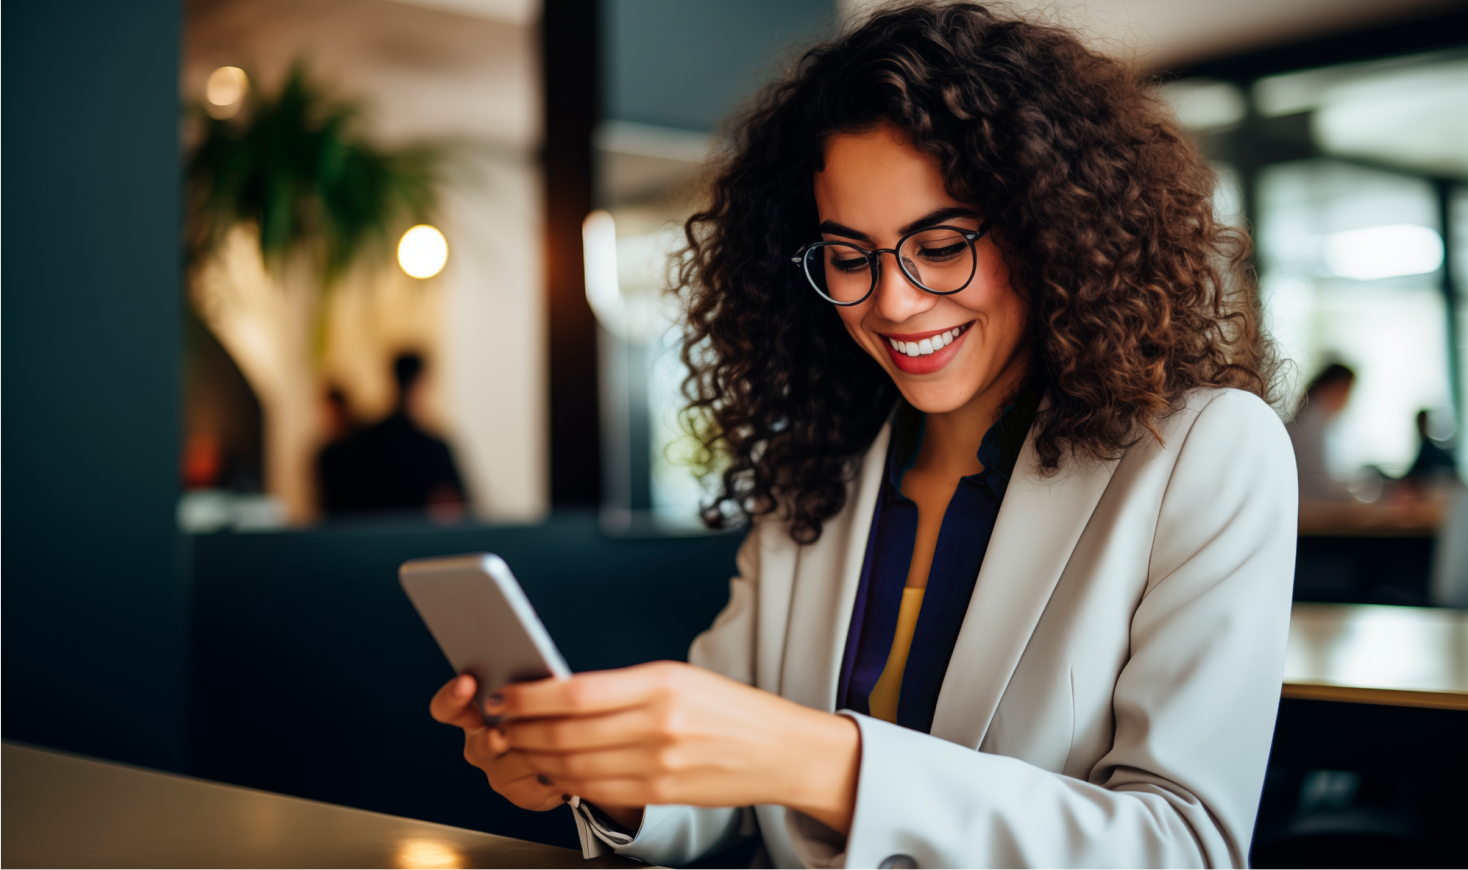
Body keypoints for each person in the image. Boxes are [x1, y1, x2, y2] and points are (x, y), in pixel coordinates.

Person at [430, 4, 1295, 868]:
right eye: (851, 256)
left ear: (1051, 234)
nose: (892, 301)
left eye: (942, 244)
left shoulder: (1206, 454)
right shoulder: (818, 469)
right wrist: (601, 772)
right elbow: (717, 785)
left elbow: (1183, 847)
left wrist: (817, 759)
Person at [317, 352, 465, 518]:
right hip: (419, 543)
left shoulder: (347, 449)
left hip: (359, 542)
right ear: (420, 383)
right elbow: (460, 512)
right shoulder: (435, 450)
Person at [1288, 363, 1356, 502]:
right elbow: (1320, 484)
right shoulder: (1311, 425)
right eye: (1346, 392)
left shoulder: (1314, 421)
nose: (1347, 401)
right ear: (1335, 388)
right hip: (1308, 511)